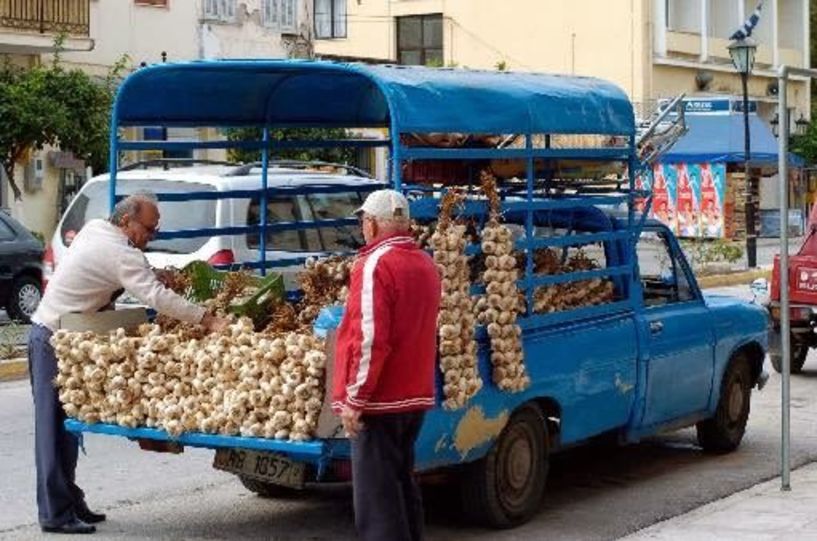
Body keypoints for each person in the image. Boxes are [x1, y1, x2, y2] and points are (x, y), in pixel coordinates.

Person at [28, 192, 229, 534]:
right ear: (126, 222)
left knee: (67, 428)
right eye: (149, 228)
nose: (151, 236)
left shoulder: (96, 229)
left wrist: (150, 273)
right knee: (52, 429)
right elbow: (155, 297)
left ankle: (70, 501)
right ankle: (55, 514)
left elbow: (118, 274)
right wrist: (207, 320)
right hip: (52, 338)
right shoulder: (120, 252)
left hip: (66, 335)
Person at [332, 189, 441, 541]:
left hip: (381, 399)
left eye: (364, 221)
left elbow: (370, 337)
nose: (363, 228)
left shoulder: (375, 264)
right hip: (414, 396)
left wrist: (355, 398)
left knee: (377, 503)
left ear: (374, 224)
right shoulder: (425, 263)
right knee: (401, 487)